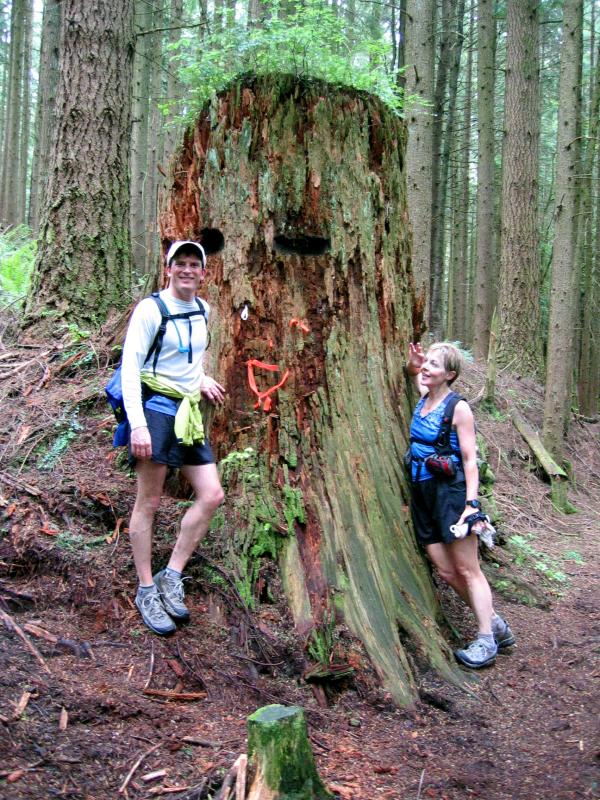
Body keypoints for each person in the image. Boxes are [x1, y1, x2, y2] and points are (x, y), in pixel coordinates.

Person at [121, 240, 225, 635]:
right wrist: (139, 425)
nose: (186, 270)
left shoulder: (203, 309)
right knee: (148, 501)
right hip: (155, 412)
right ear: (168, 270)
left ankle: (172, 573)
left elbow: (188, 359)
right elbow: (130, 368)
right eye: (179, 263)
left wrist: (200, 379)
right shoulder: (151, 310)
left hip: (187, 413)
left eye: (193, 264)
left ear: (203, 272)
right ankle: (146, 588)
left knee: (212, 494)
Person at [405, 341, 515, 668]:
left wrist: (471, 504)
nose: (427, 369)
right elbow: (415, 372)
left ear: (449, 374)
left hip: (450, 494)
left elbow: (470, 459)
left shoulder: (458, 408)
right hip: (422, 492)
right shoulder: (424, 396)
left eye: (434, 365)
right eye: (428, 363)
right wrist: (415, 363)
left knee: (468, 569)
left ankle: (485, 641)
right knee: (446, 569)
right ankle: (494, 623)